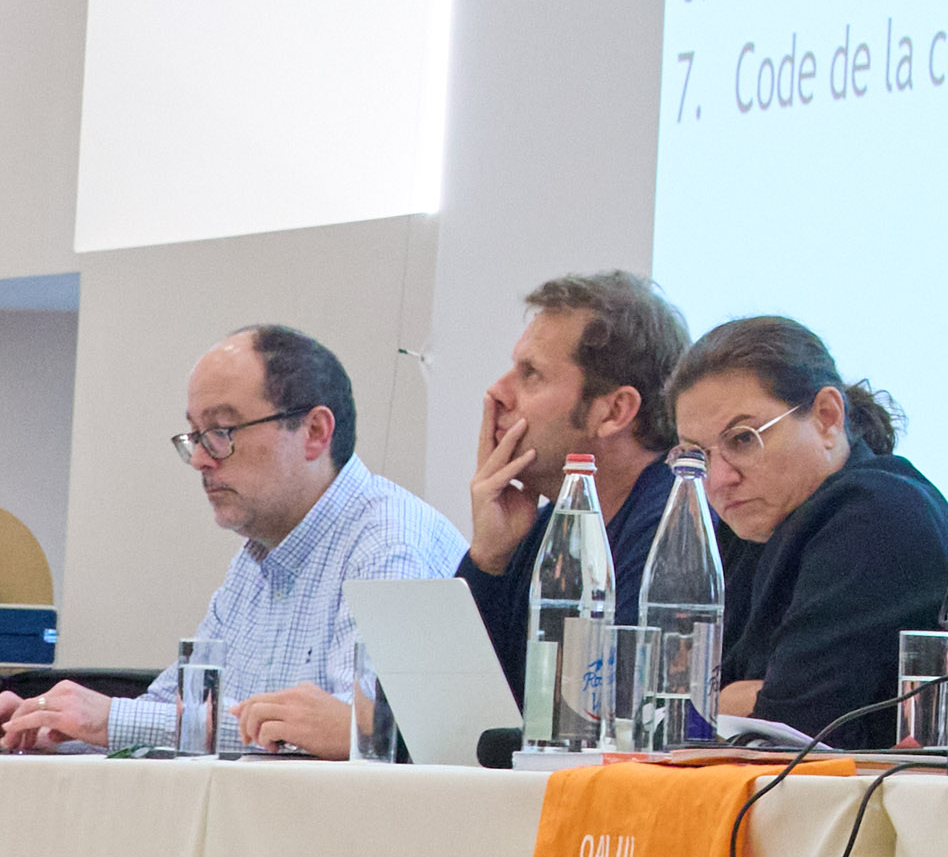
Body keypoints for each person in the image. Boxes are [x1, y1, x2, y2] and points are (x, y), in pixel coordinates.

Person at [0, 325, 462, 756]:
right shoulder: (257, 558)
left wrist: (112, 720)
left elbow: (365, 737)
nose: (200, 459)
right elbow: (173, 710)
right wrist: (49, 729)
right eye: (196, 435)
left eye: (222, 432)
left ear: (315, 432)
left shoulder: (390, 543)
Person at [670, 314, 948, 741]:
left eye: (742, 439)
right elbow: (667, 699)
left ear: (827, 417)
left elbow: (792, 720)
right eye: (697, 455)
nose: (719, 479)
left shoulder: (877, 513)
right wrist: (727, 698)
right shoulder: (745, 528)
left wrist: (722, 699)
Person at [460, 272, 692, 705]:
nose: (497, 393)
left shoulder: (675, 529)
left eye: (531, 374)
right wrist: (488, 560)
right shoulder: (543, 524)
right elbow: (446, 713)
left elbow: (599, 709)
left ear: (615, 411)